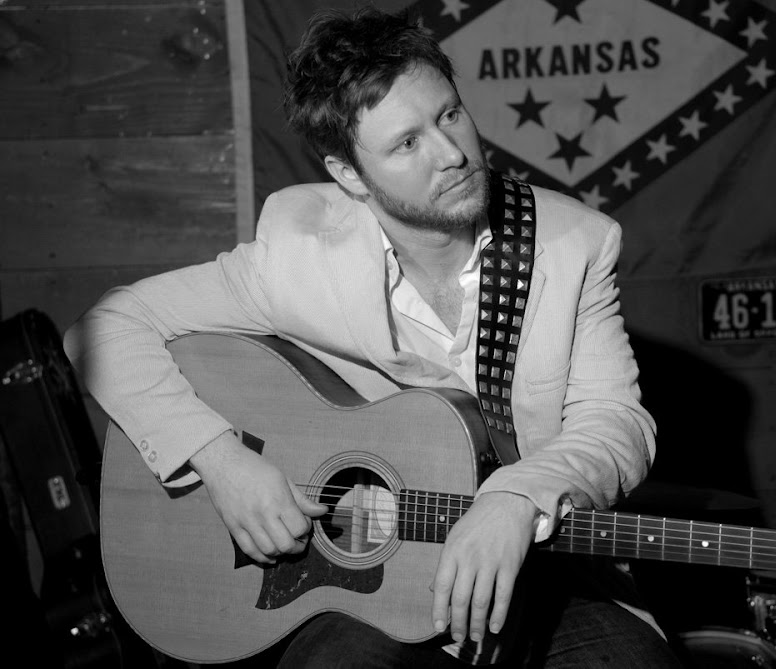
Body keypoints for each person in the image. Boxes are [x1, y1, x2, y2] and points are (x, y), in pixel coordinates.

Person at [64, 6, 684, 668]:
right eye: (406, 144)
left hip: (541, 570)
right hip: (368, 587)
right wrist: (221, 462)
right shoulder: (299, 254)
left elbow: (615, 422)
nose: (452, 155)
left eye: (450, 115)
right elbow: (102, 329)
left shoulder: (572, 243)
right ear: (350, 175)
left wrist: (517, 495)